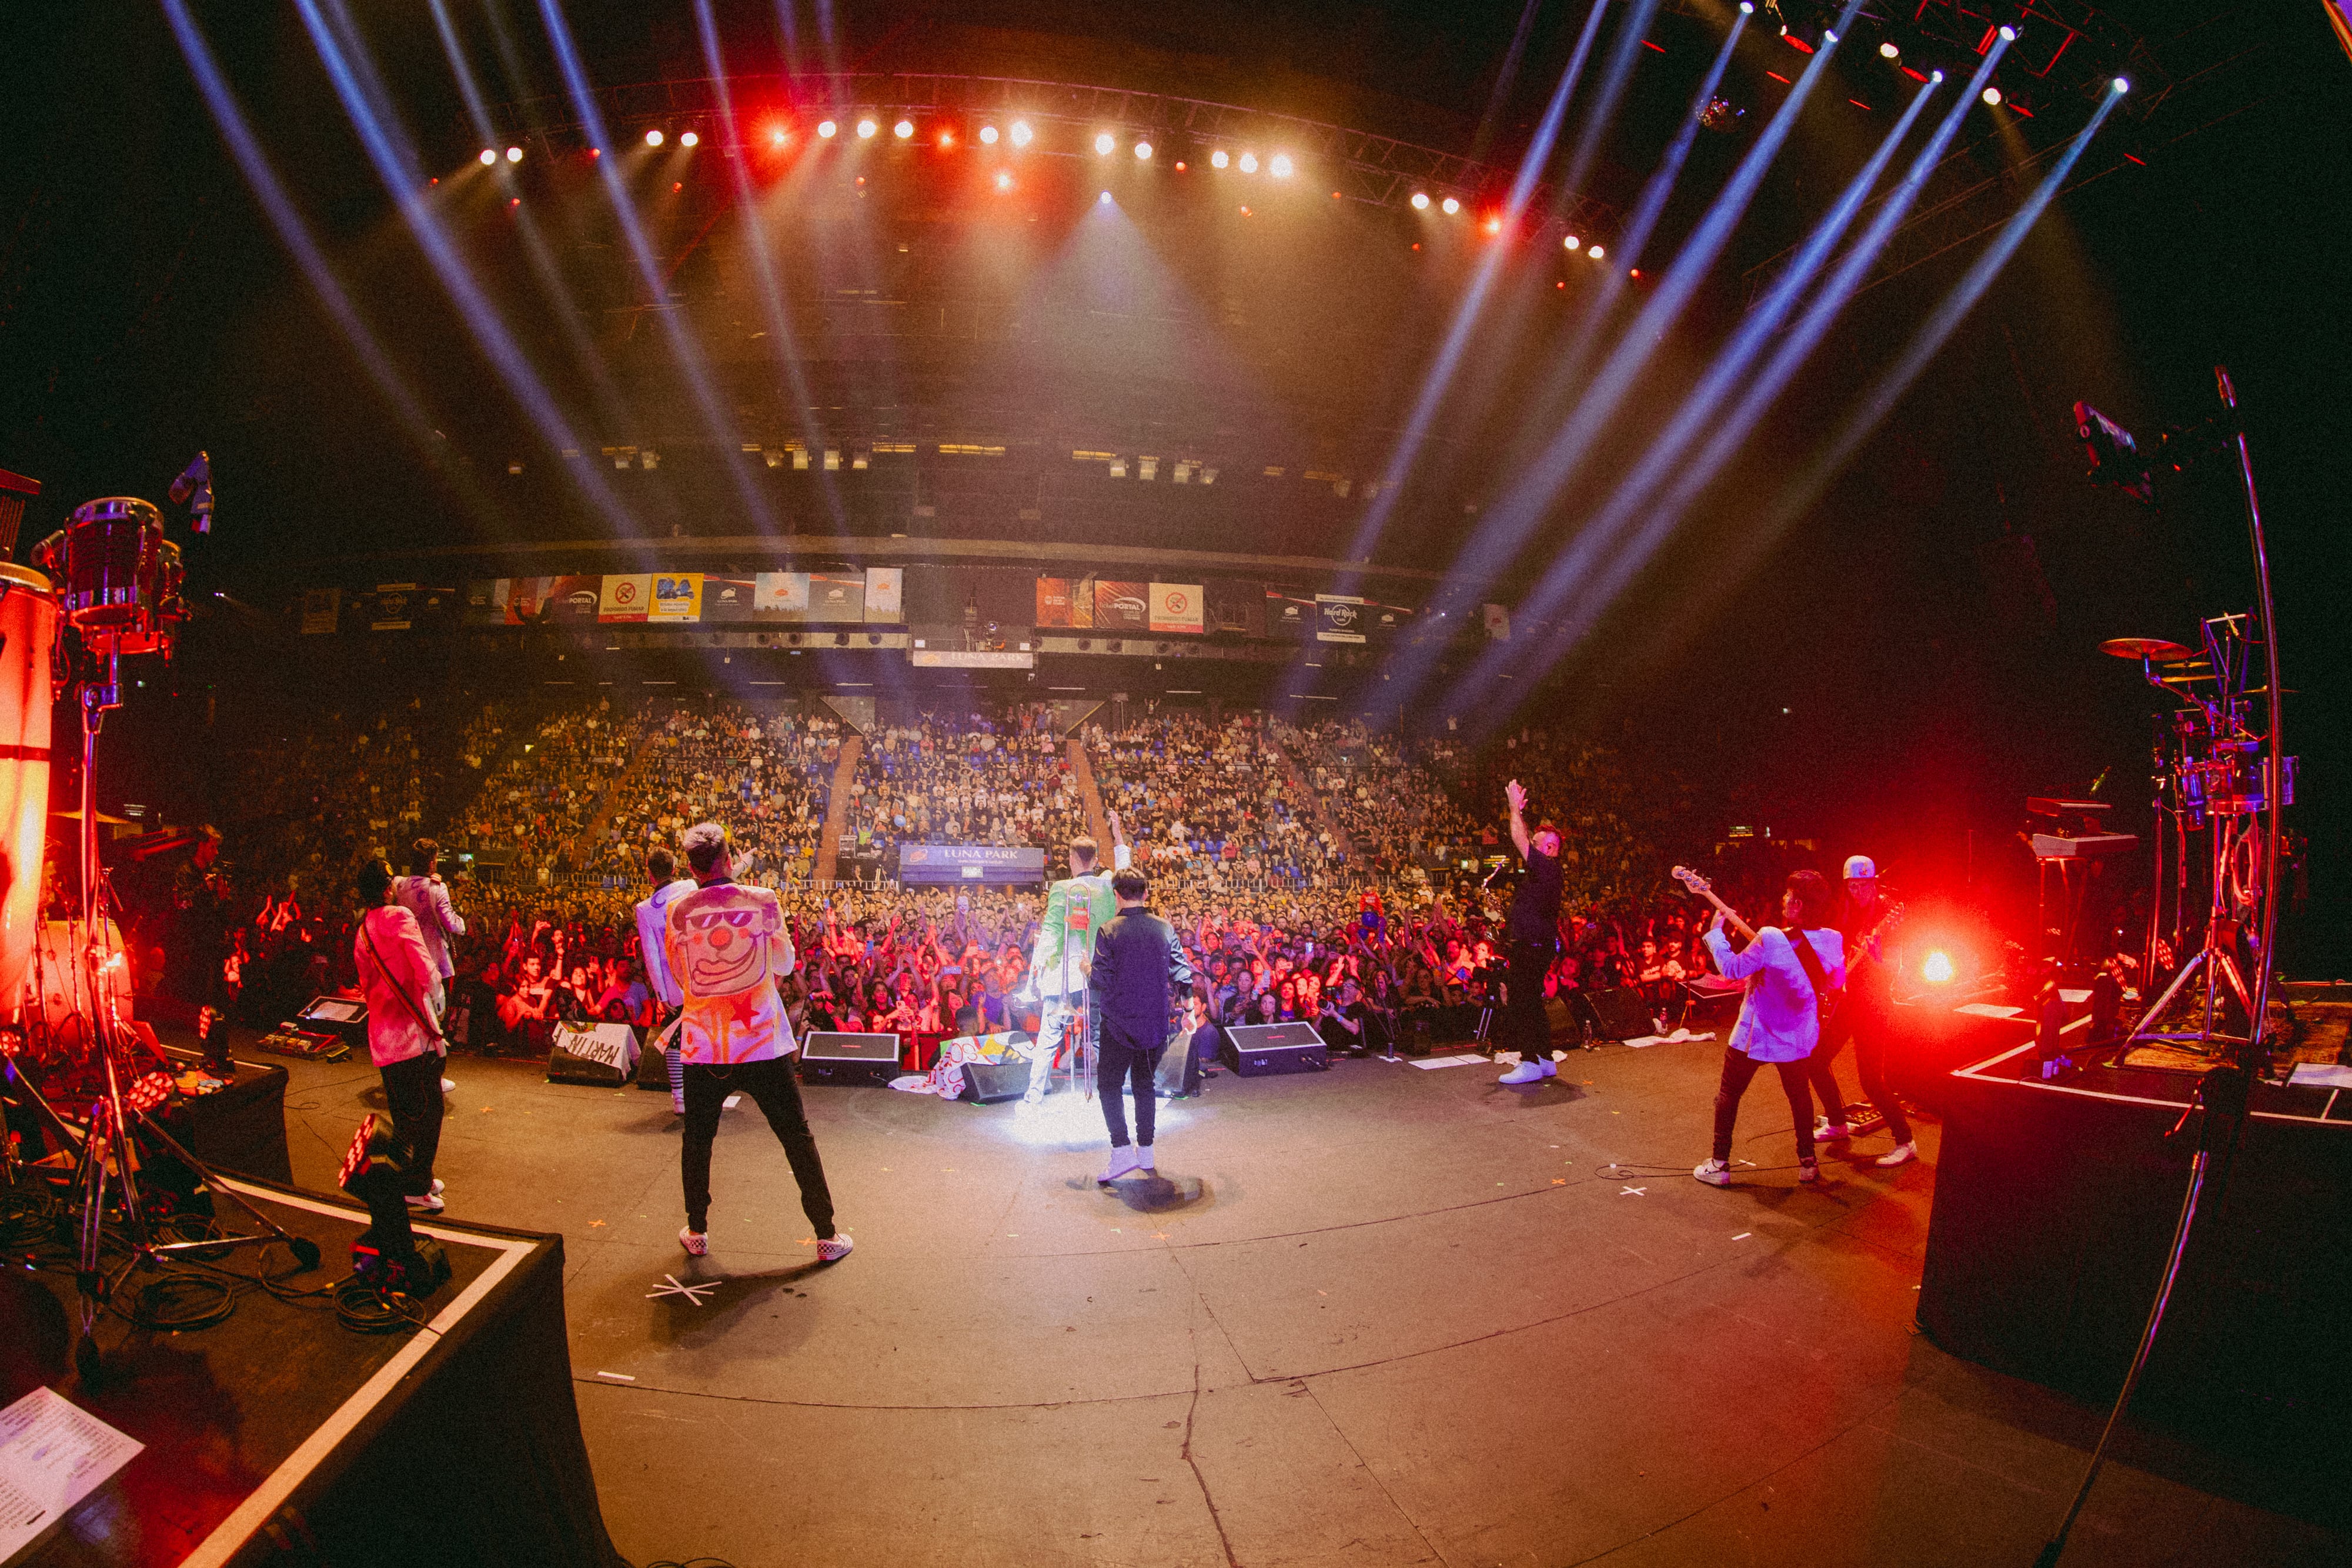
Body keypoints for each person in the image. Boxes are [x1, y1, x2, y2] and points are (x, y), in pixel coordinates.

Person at [666, 822, 850, 1263]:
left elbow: (680, 977)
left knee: (698, 1139)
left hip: (706, 1044)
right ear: (729, 859)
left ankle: (697, 1231)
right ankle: (826, 1235)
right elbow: (785, 961)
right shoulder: (763, 900)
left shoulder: (678, 910)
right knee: (795, 1136)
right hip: (761, 1042)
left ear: (691, 867)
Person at [1694, 870, 1846, 1187]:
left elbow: (1733, 969)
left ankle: (1719, 1164)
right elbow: (1835, 983)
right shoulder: (1833, 939)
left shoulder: (1772, 938)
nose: (1784, 899)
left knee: (1729, 1094)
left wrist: (1716, 934)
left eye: (1789, 895)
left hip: (1756, 1035)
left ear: (1799, 905)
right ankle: (1808, 1164)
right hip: (1798, 1037)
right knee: (1799, 1096)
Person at [1805, 855, 1917, 1167]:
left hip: (1875, 1004)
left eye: (1864, 884)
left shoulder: (1888, 912)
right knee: (1816, 1060)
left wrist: (1877, 954)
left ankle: (1906, 1141)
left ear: (1874, 882)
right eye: (1853, 884)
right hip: (1847, 1000)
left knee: (1870, 1080)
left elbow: (1895, 966)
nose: (1859, 890)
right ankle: (1838, 1124)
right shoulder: (1843, 908)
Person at [352, 858, 447, 1213]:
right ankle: (417, 1183)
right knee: (429, 1109)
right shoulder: (400, 917)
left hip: (382, 1036)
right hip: (411, 1032)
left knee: (404, 1112)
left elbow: (365, 985)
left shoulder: (361, 931)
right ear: (386, 888)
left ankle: (415, 1173)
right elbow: (424, 965)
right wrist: (437, 1001)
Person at [1087, 868, 1194, 1182]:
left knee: (1109, 1085)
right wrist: (1189, 1010)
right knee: (1144, 1085)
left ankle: (1121, 1150)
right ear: (1146, 893)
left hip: (1118, 1023)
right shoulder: (1164, 928)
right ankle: (1145, 1152)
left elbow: (1100, 982)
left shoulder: (1108, 930)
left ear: (1117, 895)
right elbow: (1183, 974)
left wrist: (1085, 967)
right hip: (1154, 1022)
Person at [1020, 813, 1131, 1109]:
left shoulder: (1061, 889)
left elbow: (1052, 932)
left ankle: (1035, 1091)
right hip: (1100, 971)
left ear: (1071, 859)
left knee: (1049, 1034)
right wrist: (1117, 832)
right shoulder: (1109, 883)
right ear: (1095, 860)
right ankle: (1119, 1088)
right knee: (1100, 1034)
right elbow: (1126, 867)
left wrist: (1033, 975)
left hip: (1064, 975)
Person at [1496, 779, 1566, 1084]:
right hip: (1537, 943)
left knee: (1521, 1001)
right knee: (1533, 1001)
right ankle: (1545, 1059)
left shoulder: (1548, 867)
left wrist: (1514, 808)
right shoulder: (1546, 873)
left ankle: (1529, 1062)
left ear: (1549, 848)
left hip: (1532, 944)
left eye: (1536, 845)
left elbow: (1517, 836)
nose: (1531, 850)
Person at [393, 838, 466, 1097]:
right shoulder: (437, 887)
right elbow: (451, 923)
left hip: (406, 956)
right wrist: (463, 924)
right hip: (434, 958)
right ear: (432, 861)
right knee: (436, 1016)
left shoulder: (399, 884)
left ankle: (410, 1072)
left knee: (412, 1014)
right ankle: (433, 1077)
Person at [634, 845, 696, 1115]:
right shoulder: (690, 886)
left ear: (650, 874)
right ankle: (705, 1094)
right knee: (703, 1034)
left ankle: (680, 1098)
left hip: (673, 984)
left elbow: (651, 955)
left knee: (673, 1035)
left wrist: (661, 994)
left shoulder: (645, 909)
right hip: (702, 974)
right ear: (674, 868)